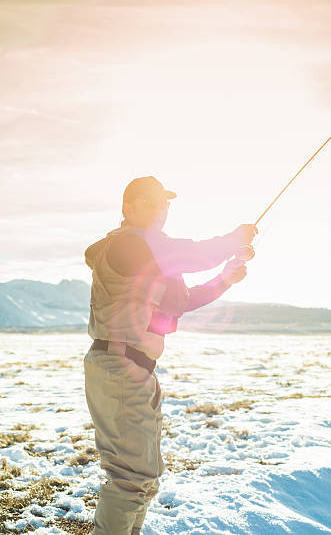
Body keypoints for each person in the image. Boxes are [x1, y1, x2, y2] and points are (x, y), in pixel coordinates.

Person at [83, 175, 258, 535]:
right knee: (131, 480)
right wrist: (233, 240)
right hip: (119, 366)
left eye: (164, 203)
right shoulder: (131, 245)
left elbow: (184, 301)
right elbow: (190, 254)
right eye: (150, 202)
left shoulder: (148, 261)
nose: (160, 209)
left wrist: (224, 278)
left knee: (145, 478)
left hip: (136, 370)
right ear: (127, 209)